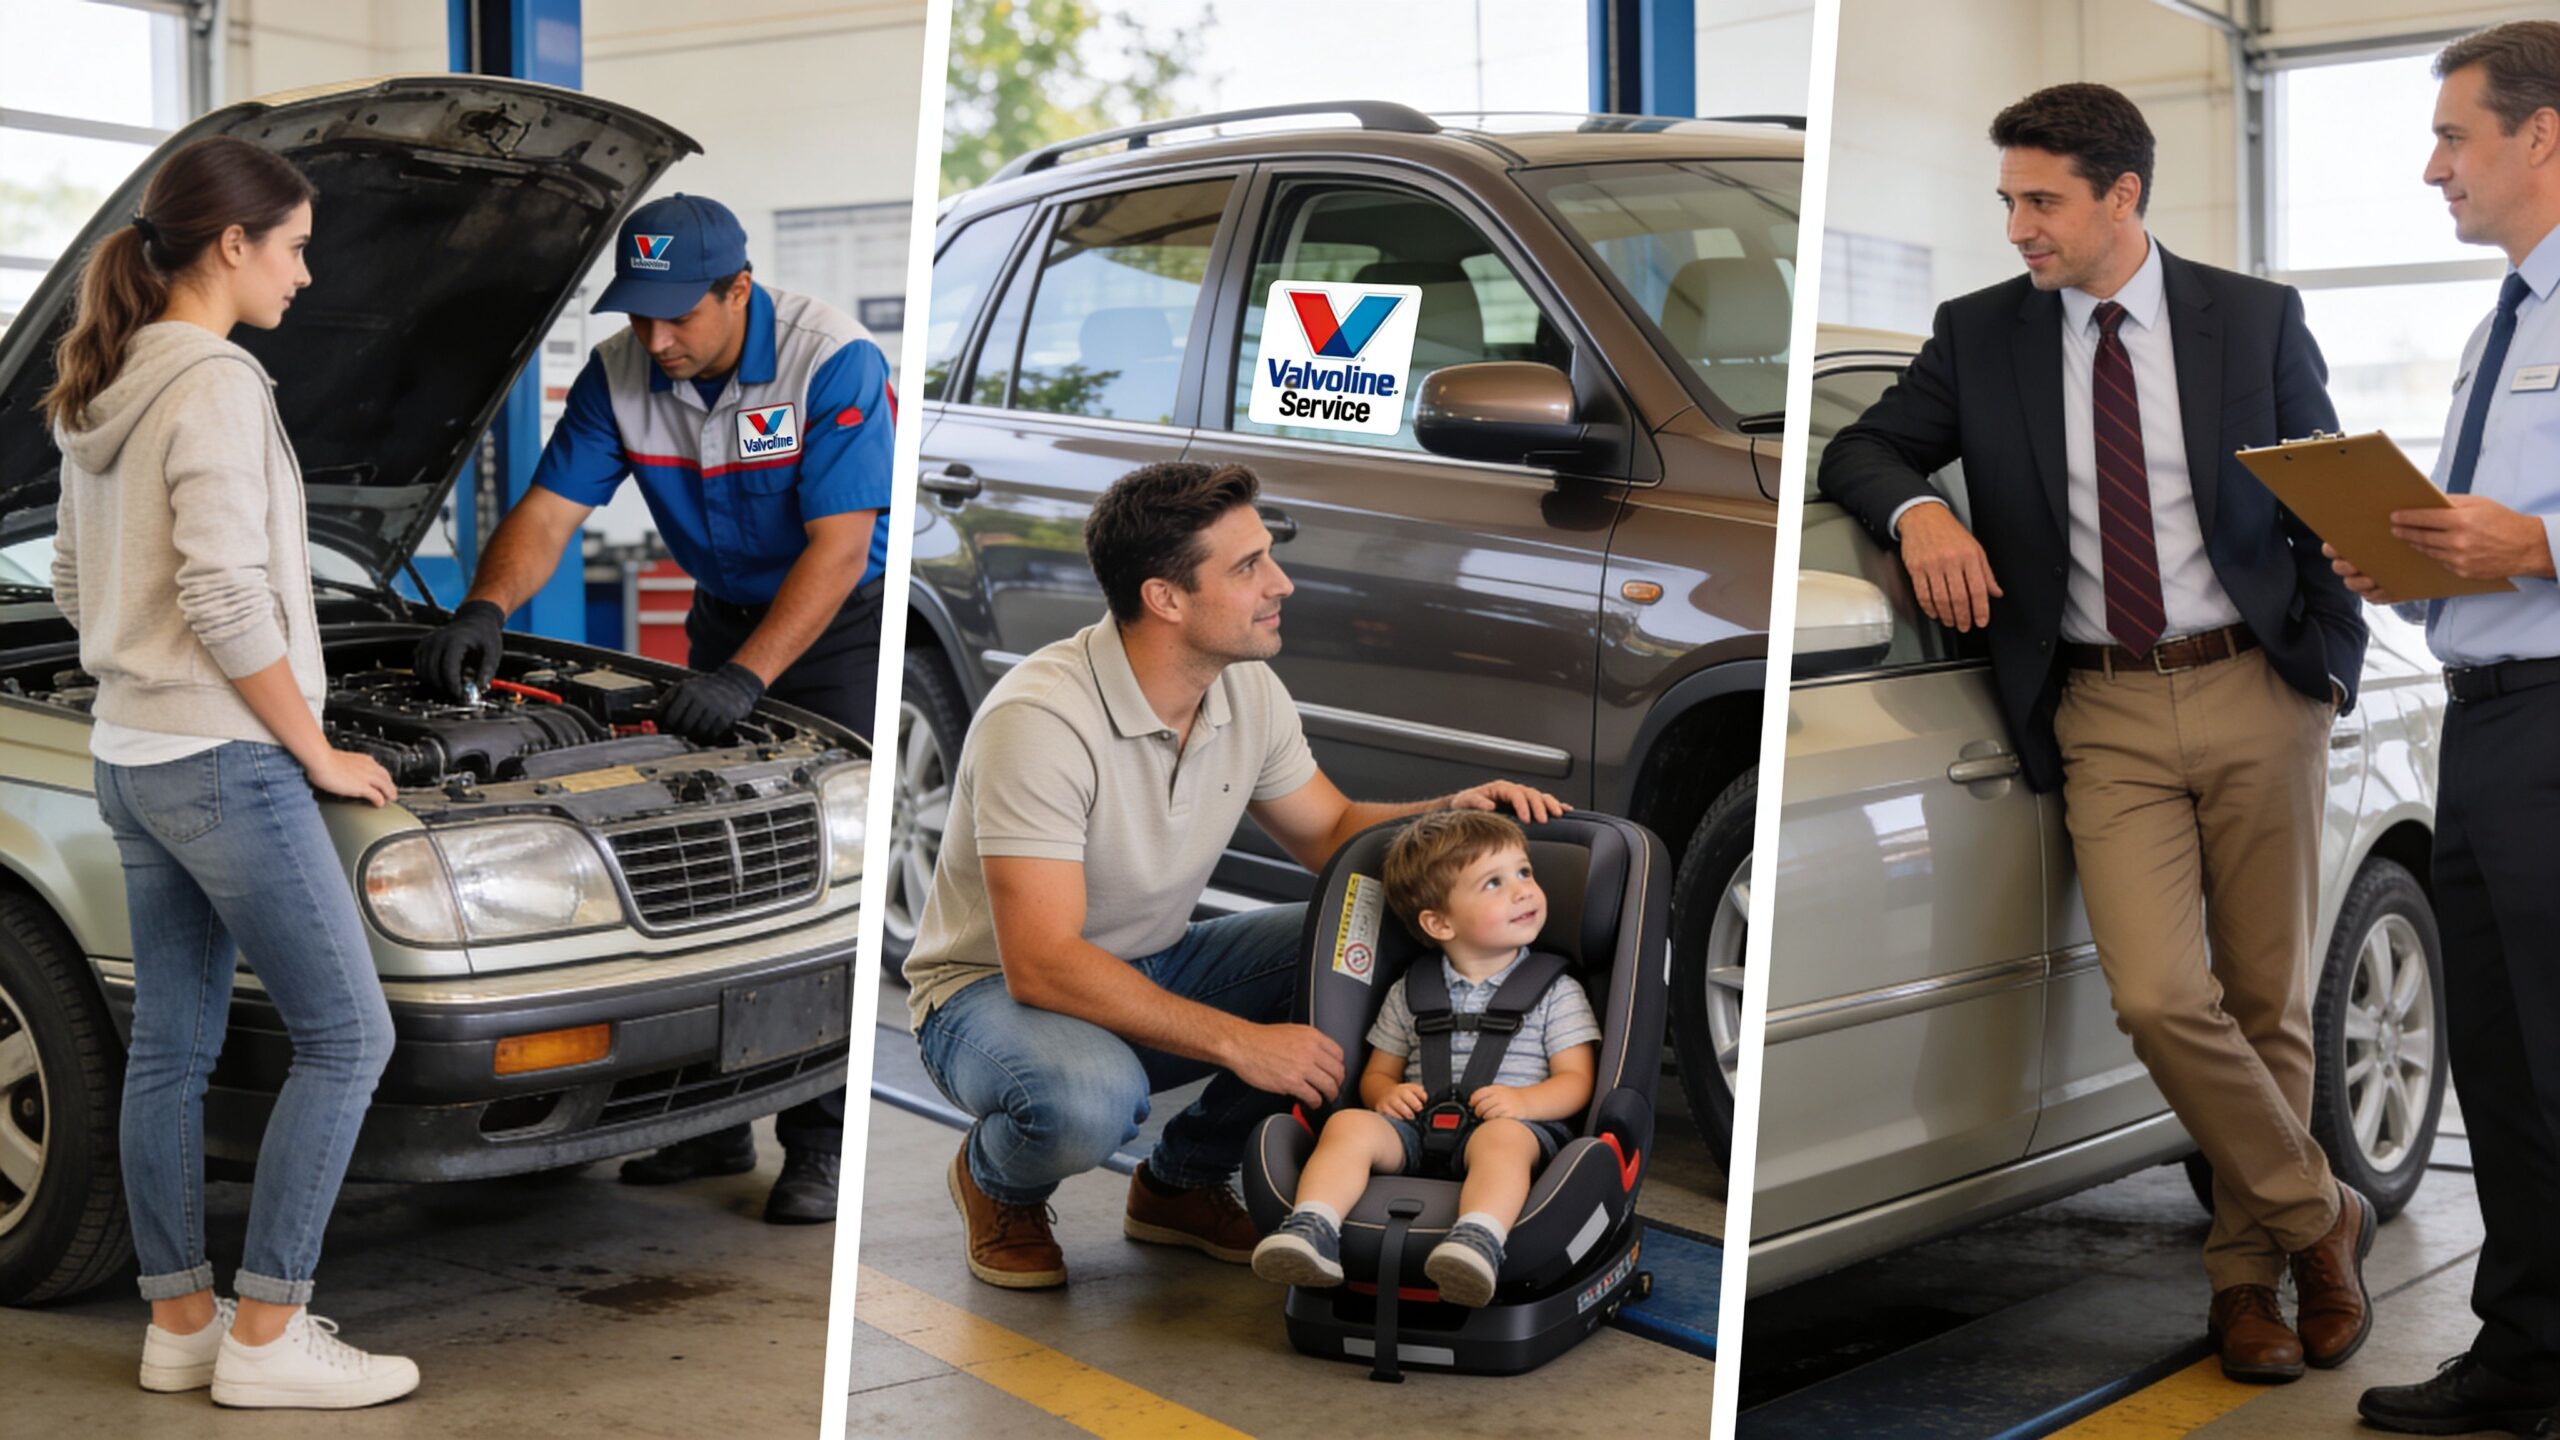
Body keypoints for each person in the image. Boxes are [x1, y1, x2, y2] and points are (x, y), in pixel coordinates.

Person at [1818, 82, 2374, 1383]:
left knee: (2268, 1005)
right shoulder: (1982, 335)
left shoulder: (2254, 319)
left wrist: (2326, 675)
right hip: (2102, 706)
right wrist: (1920, 516)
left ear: (2122, 196)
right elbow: (1864, 448)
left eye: (2041, 201)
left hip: (2254, 686)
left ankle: (2247, 1282)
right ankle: (2318, 1213)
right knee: (2162, 998)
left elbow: (2325, 496)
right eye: (2008, 200)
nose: (2017, 227)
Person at [903, 460, 1568, 1290]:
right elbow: (1040, 961)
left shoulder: (1246, 688)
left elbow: (1330, 832)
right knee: (1085, 1102)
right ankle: (998, 1183)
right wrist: (1242, 1043)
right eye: (1248, 566)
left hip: (1152, 960)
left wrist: (1448, 812)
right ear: (1166, 599)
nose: (1280, 583)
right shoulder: (1040, 721)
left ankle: (1178, 1185)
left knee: (1373, 932)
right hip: (990, 993)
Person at [411, 193, 893, 1224]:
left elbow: (840, 548)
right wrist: (486, 606)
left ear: (738, 291)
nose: (656, 340)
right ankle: (707, 1121)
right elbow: (548, 511)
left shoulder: (832, 359)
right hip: (727, 624)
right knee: (714, 860)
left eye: (680, 316)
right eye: (639, 317)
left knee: (825, 882)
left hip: (842, 627)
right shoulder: (622, 373)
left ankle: (822, 1145)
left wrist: (749, 679)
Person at [43, 136, 417, 1408]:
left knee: (170, 1049)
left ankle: (182, 1324)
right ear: (231, 244)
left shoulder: (100, 384)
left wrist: (140, 680)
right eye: (298, 248)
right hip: (227, 759)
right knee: (348, 1035)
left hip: (130, 758)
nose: (307, 277)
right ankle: (269, 1336)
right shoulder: (214, 384)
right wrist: (312, 747)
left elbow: (72, 586)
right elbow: (220, 589)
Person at [2330, 23, 2560, 1436]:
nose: (2433, 170)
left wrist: (2531, 540)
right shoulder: (2502, 322)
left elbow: (2532, 541)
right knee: (2504, 1065)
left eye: (2454, 136)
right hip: (2483, 722)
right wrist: (2412, 553)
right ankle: (2527, 1358)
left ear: (2544, 135)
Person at [1249, 810, 1597, 1307]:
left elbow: (1576, 1081)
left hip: (1515, 1128)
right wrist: (1386, 1095)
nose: (1523, 890)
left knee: (1501, 1140)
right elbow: (1378, 1073)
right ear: (1439, 922)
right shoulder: (1410, 991)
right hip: (1417, 1131)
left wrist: (1523, 1103)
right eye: (1494, 883)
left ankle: (1477, 1241)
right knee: (1348, 1124)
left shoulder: (1556, 993)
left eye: (1524, 872)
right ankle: (1312, 1227)